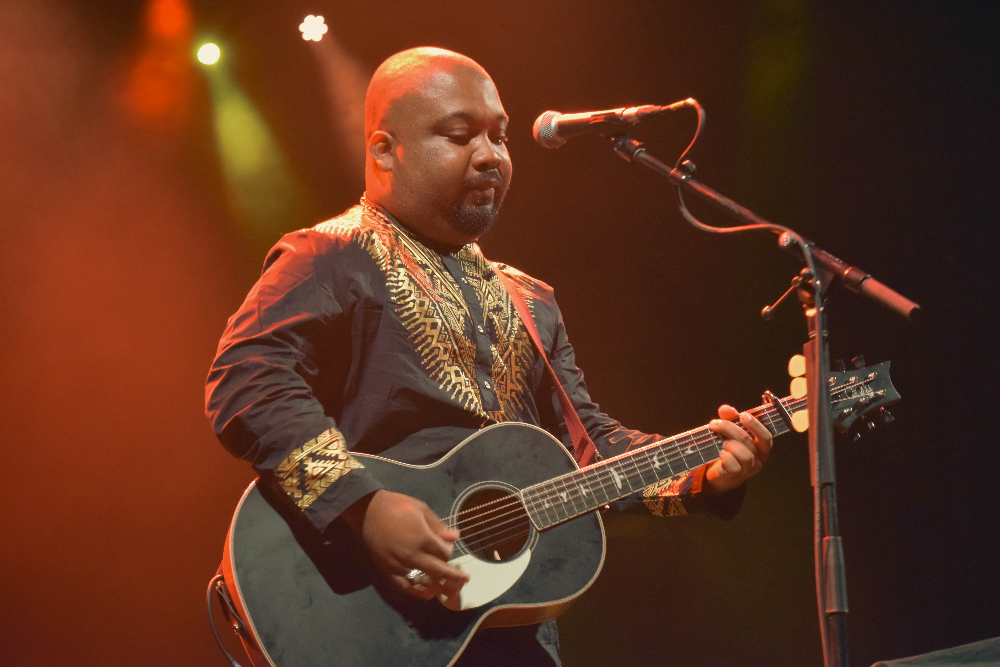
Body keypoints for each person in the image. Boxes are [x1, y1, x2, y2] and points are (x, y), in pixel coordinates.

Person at [205, 46, 772, 666]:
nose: (490, 155)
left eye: (500, 136)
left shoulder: (531, 297)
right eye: (458, 135)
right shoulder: (330, 256)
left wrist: (705, 475)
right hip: (365, 620)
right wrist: (363, 507)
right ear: (383, 150)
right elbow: (246, 380)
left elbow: (589, 445)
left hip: (506, 633)